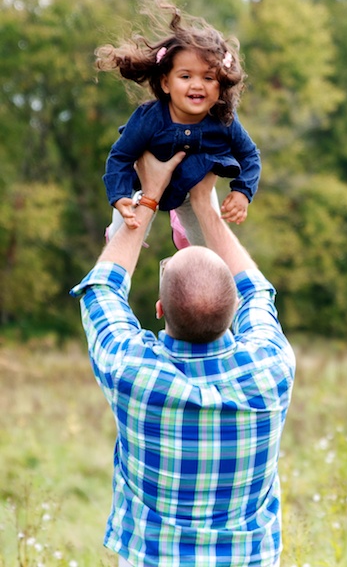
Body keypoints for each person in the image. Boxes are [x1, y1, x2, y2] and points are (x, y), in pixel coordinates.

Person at [70, 151, 295, 567]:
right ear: (235, 314)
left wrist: (149, 197)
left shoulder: (134, 376)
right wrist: (204, 204)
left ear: (160, 308)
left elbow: (101, 290)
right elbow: (258, 292)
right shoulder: (270, 371)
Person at [97, 0, 261, 247]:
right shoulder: (149, 118)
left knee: (209, 253)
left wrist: (242, 192)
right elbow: (120, 156)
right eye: (185, 76)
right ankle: (117, 233)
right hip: (145, 188)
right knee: (125, 237)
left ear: (222, 85)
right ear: (166, 83)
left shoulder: (224, 119)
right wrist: (119, 197)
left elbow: (250, 155)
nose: (197, 84)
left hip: (195, 191)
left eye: (208, 77)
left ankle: (183, 230)